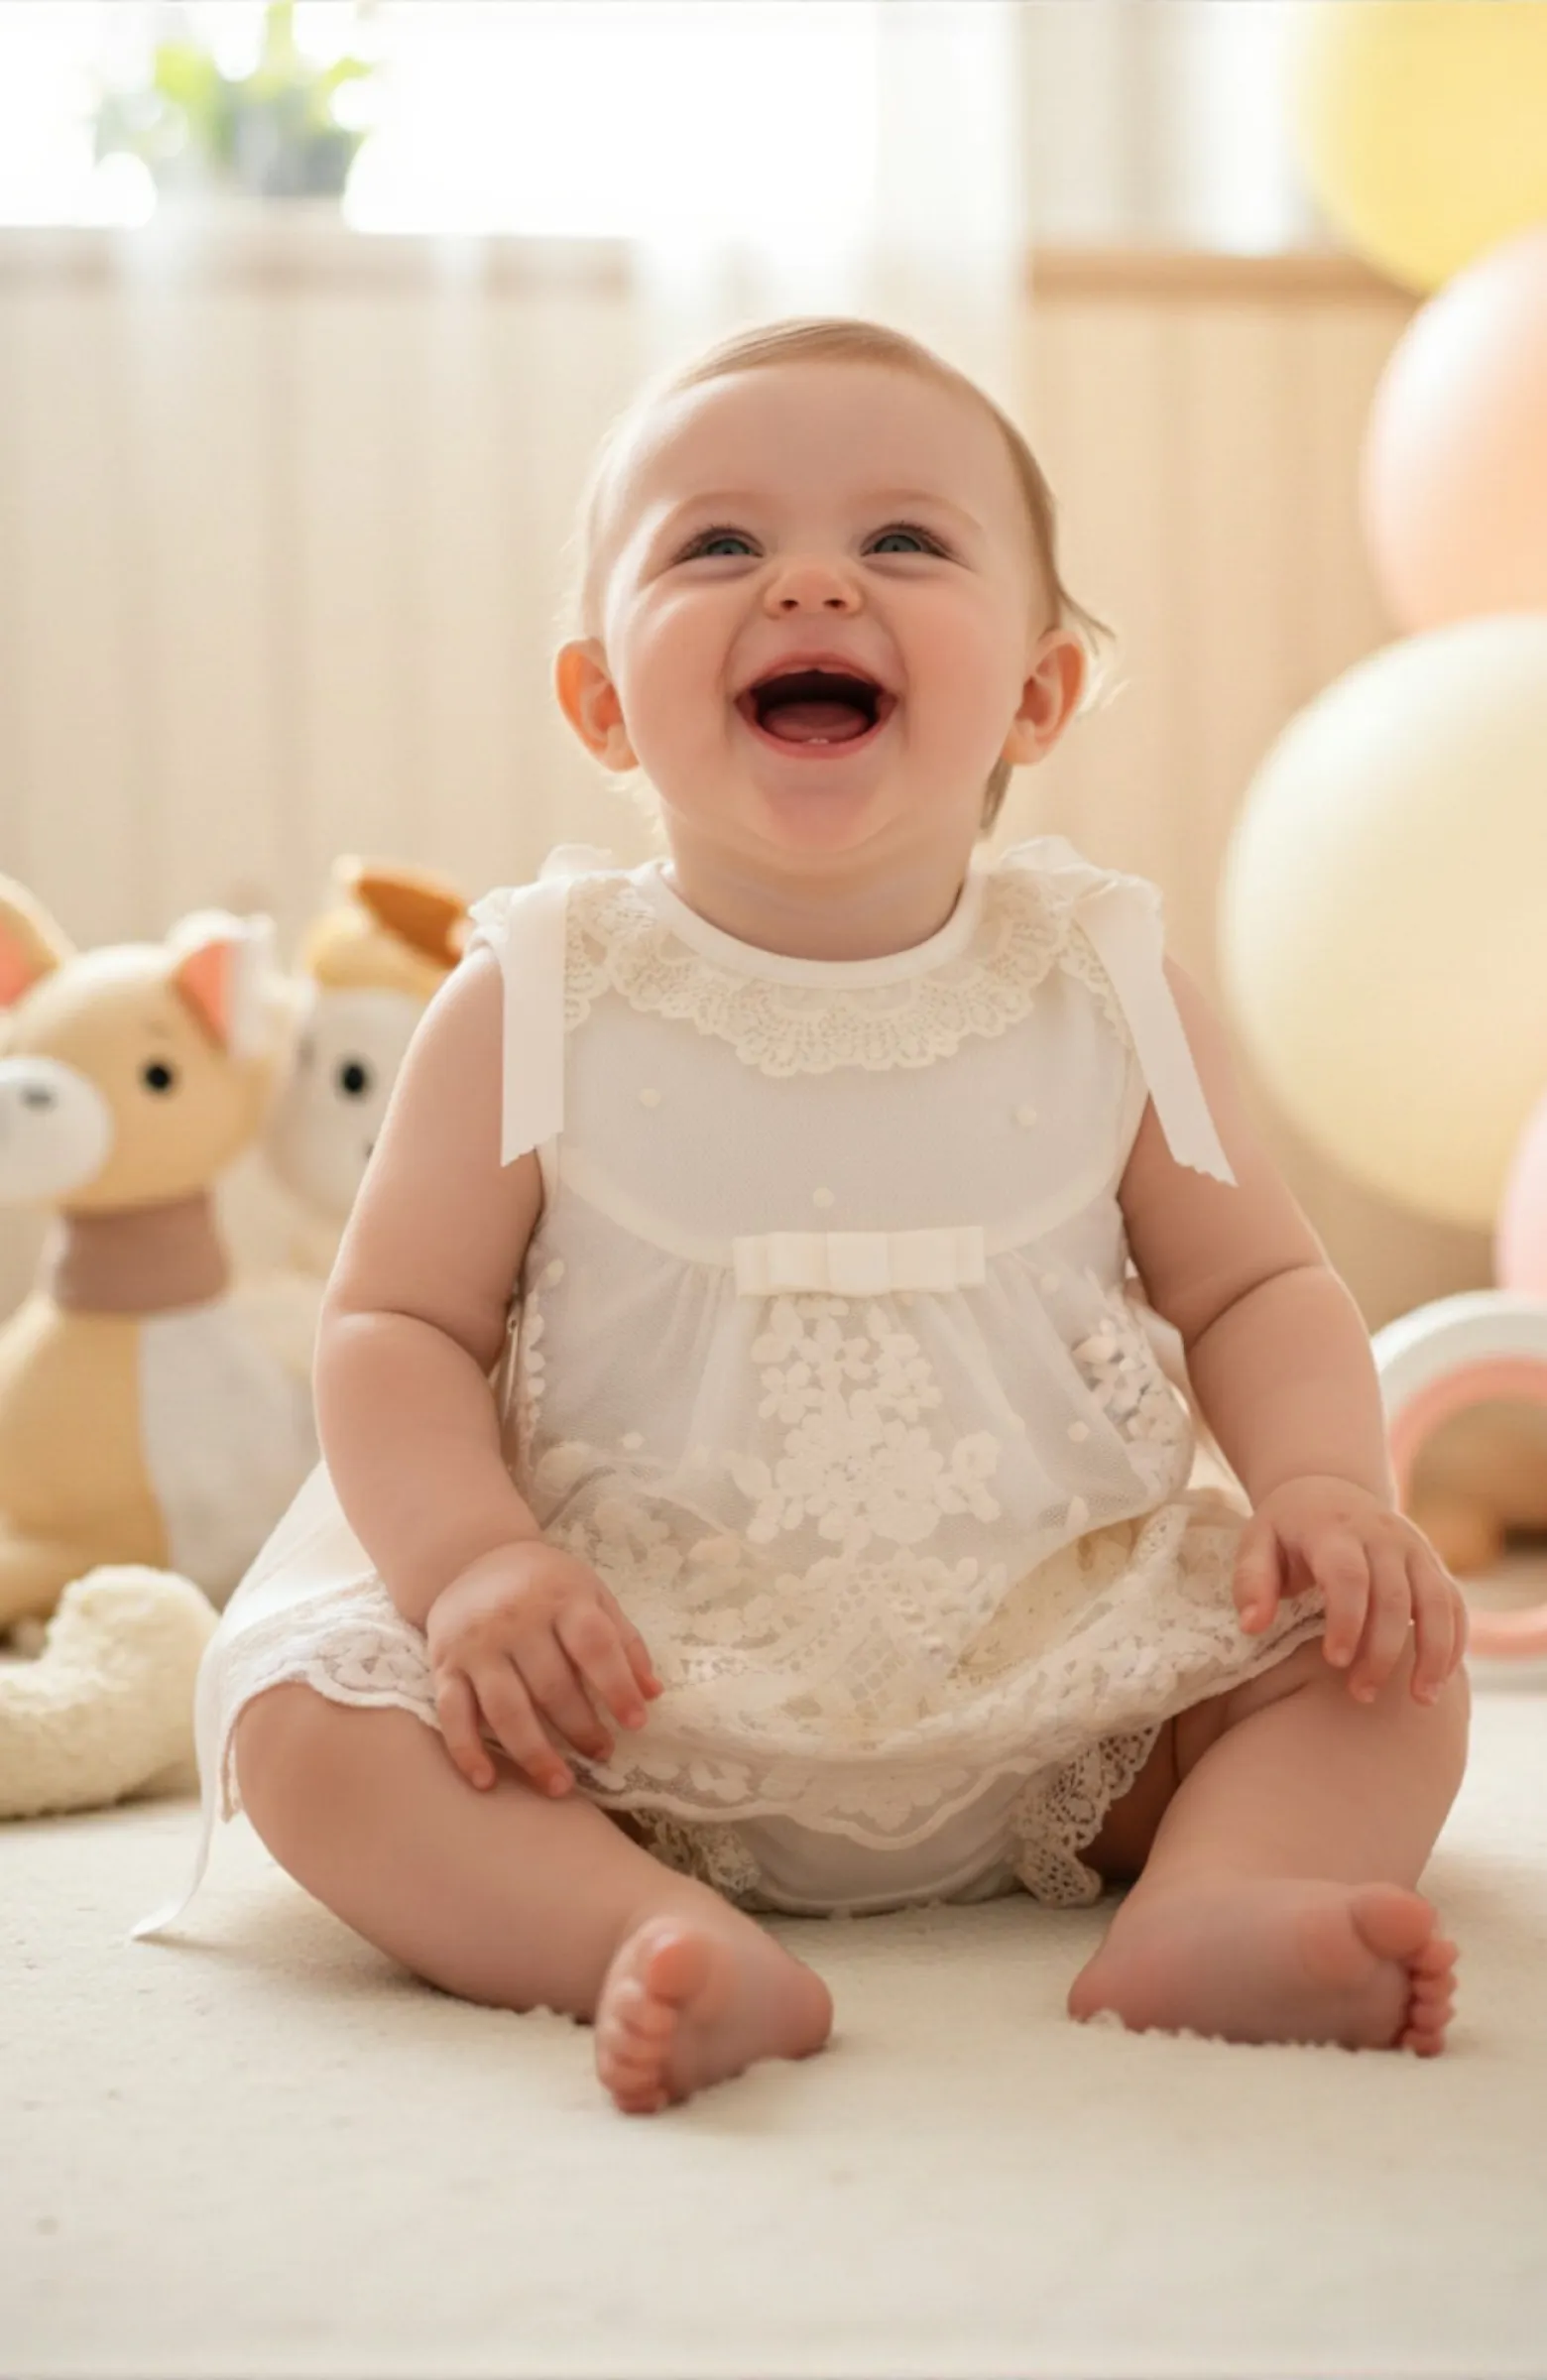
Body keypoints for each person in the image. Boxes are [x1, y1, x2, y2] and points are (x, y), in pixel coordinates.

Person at [137, 316, 1470, 2114]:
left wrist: (1324, 1489)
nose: (813, 583)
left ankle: (1227, 1897)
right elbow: (397, 1326)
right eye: (719, 543)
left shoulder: (1107, 981)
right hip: (622, 1695)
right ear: (601, 701)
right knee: (308, 1729)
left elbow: (1253, 1286)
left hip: (1070, 1679)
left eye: (903, 539)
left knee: (1390, 1664)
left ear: (1040, 694)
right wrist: (474, 1568)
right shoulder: (538, 995)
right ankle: (635, 1930)